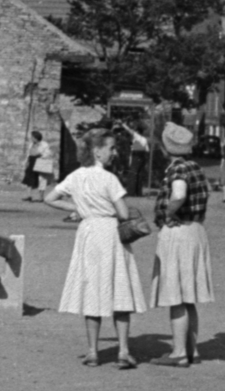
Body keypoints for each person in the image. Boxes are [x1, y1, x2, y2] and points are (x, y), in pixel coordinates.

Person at [44, 128, 148, 368]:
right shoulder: (109, 179)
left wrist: (78, 209)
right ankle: (123, 350)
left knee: (92, 289)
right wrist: (114, 210)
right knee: (119, 289)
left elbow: (50, 198)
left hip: (88, 233)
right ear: (97, 151)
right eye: (111, 148)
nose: (114, 152)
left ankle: (93, 351)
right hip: (110, 233)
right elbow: (122, 212)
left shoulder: (76, 176)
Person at [150, 122, 214, 367]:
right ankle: (192, 350)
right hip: (196, 231)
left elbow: (178, 194)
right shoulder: (195, 167)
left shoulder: (176, 169)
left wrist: (168, 213)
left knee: (176, 294)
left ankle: (178, 353)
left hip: (179, 232)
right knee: (189, 297)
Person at [25, 131, 54, 201]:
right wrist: (27, 161)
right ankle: (29, 195)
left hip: (40, 162)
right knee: (30, 178)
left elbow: (48, 153)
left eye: (32, 137)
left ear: (36, 138)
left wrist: (39, 154)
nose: (31, 138)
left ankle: (41, 197)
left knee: (42, 179)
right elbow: (29, 154)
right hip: (32, 161)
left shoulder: (44, 144)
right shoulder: (31, 144)